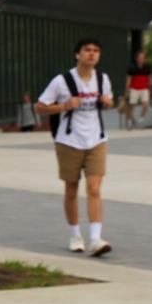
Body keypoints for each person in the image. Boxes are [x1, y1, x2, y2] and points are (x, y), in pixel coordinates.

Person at [35, 37, 115, 257]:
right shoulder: (62, 81)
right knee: (71, 188)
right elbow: (40, 106)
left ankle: (96, 239)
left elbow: (108, 102)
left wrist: (108, 103)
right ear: (77, 54)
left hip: (97, 139)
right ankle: (74, 234)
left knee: (94, 188)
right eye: (87, 50)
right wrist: (64, 106)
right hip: (69, 140)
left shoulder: (102, 78)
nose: (92, 54)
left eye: (96, 50)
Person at [124, 51, 152, 128]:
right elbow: (129, 80)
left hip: (144, 88)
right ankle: (130, 121)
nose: (142, 59)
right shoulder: (131, 68)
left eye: (143, 57)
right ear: (136, 58)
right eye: (140, 57)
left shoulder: (147, 67)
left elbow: (149, 79)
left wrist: (150, 89)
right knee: (131, 105)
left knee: (146, 104)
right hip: (134, 88)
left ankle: (141, 119)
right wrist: (127, 90)